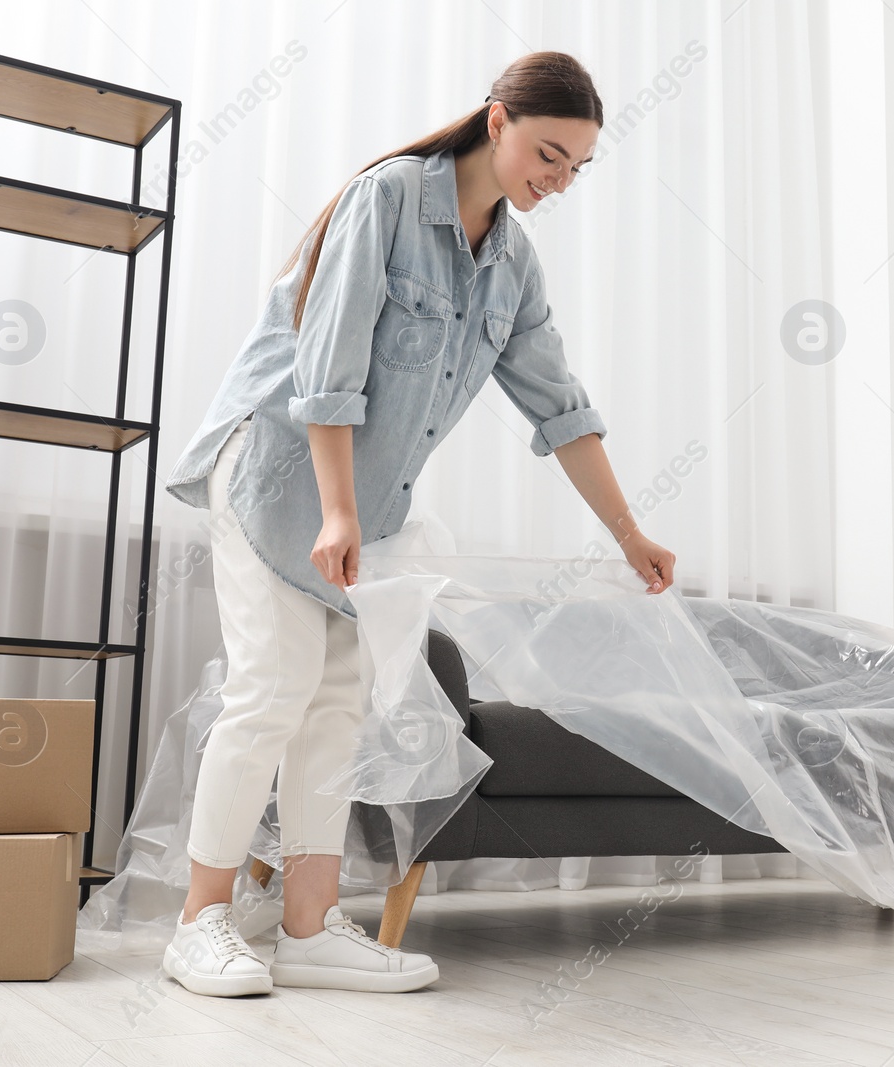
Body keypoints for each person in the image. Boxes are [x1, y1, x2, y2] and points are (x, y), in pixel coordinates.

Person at [158, 51, 677, 997]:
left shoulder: (513, 265)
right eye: (547, 154)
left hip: (365, 506)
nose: (556, 181)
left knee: (335, 709)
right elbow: (330, 361)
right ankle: (198, 922)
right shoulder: (389, 199)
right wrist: (341, 507)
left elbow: (562, 408)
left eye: (575, 169)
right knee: (274, 689)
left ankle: (309, 929)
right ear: (496, 121)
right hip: (280, 473)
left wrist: (628, 532)